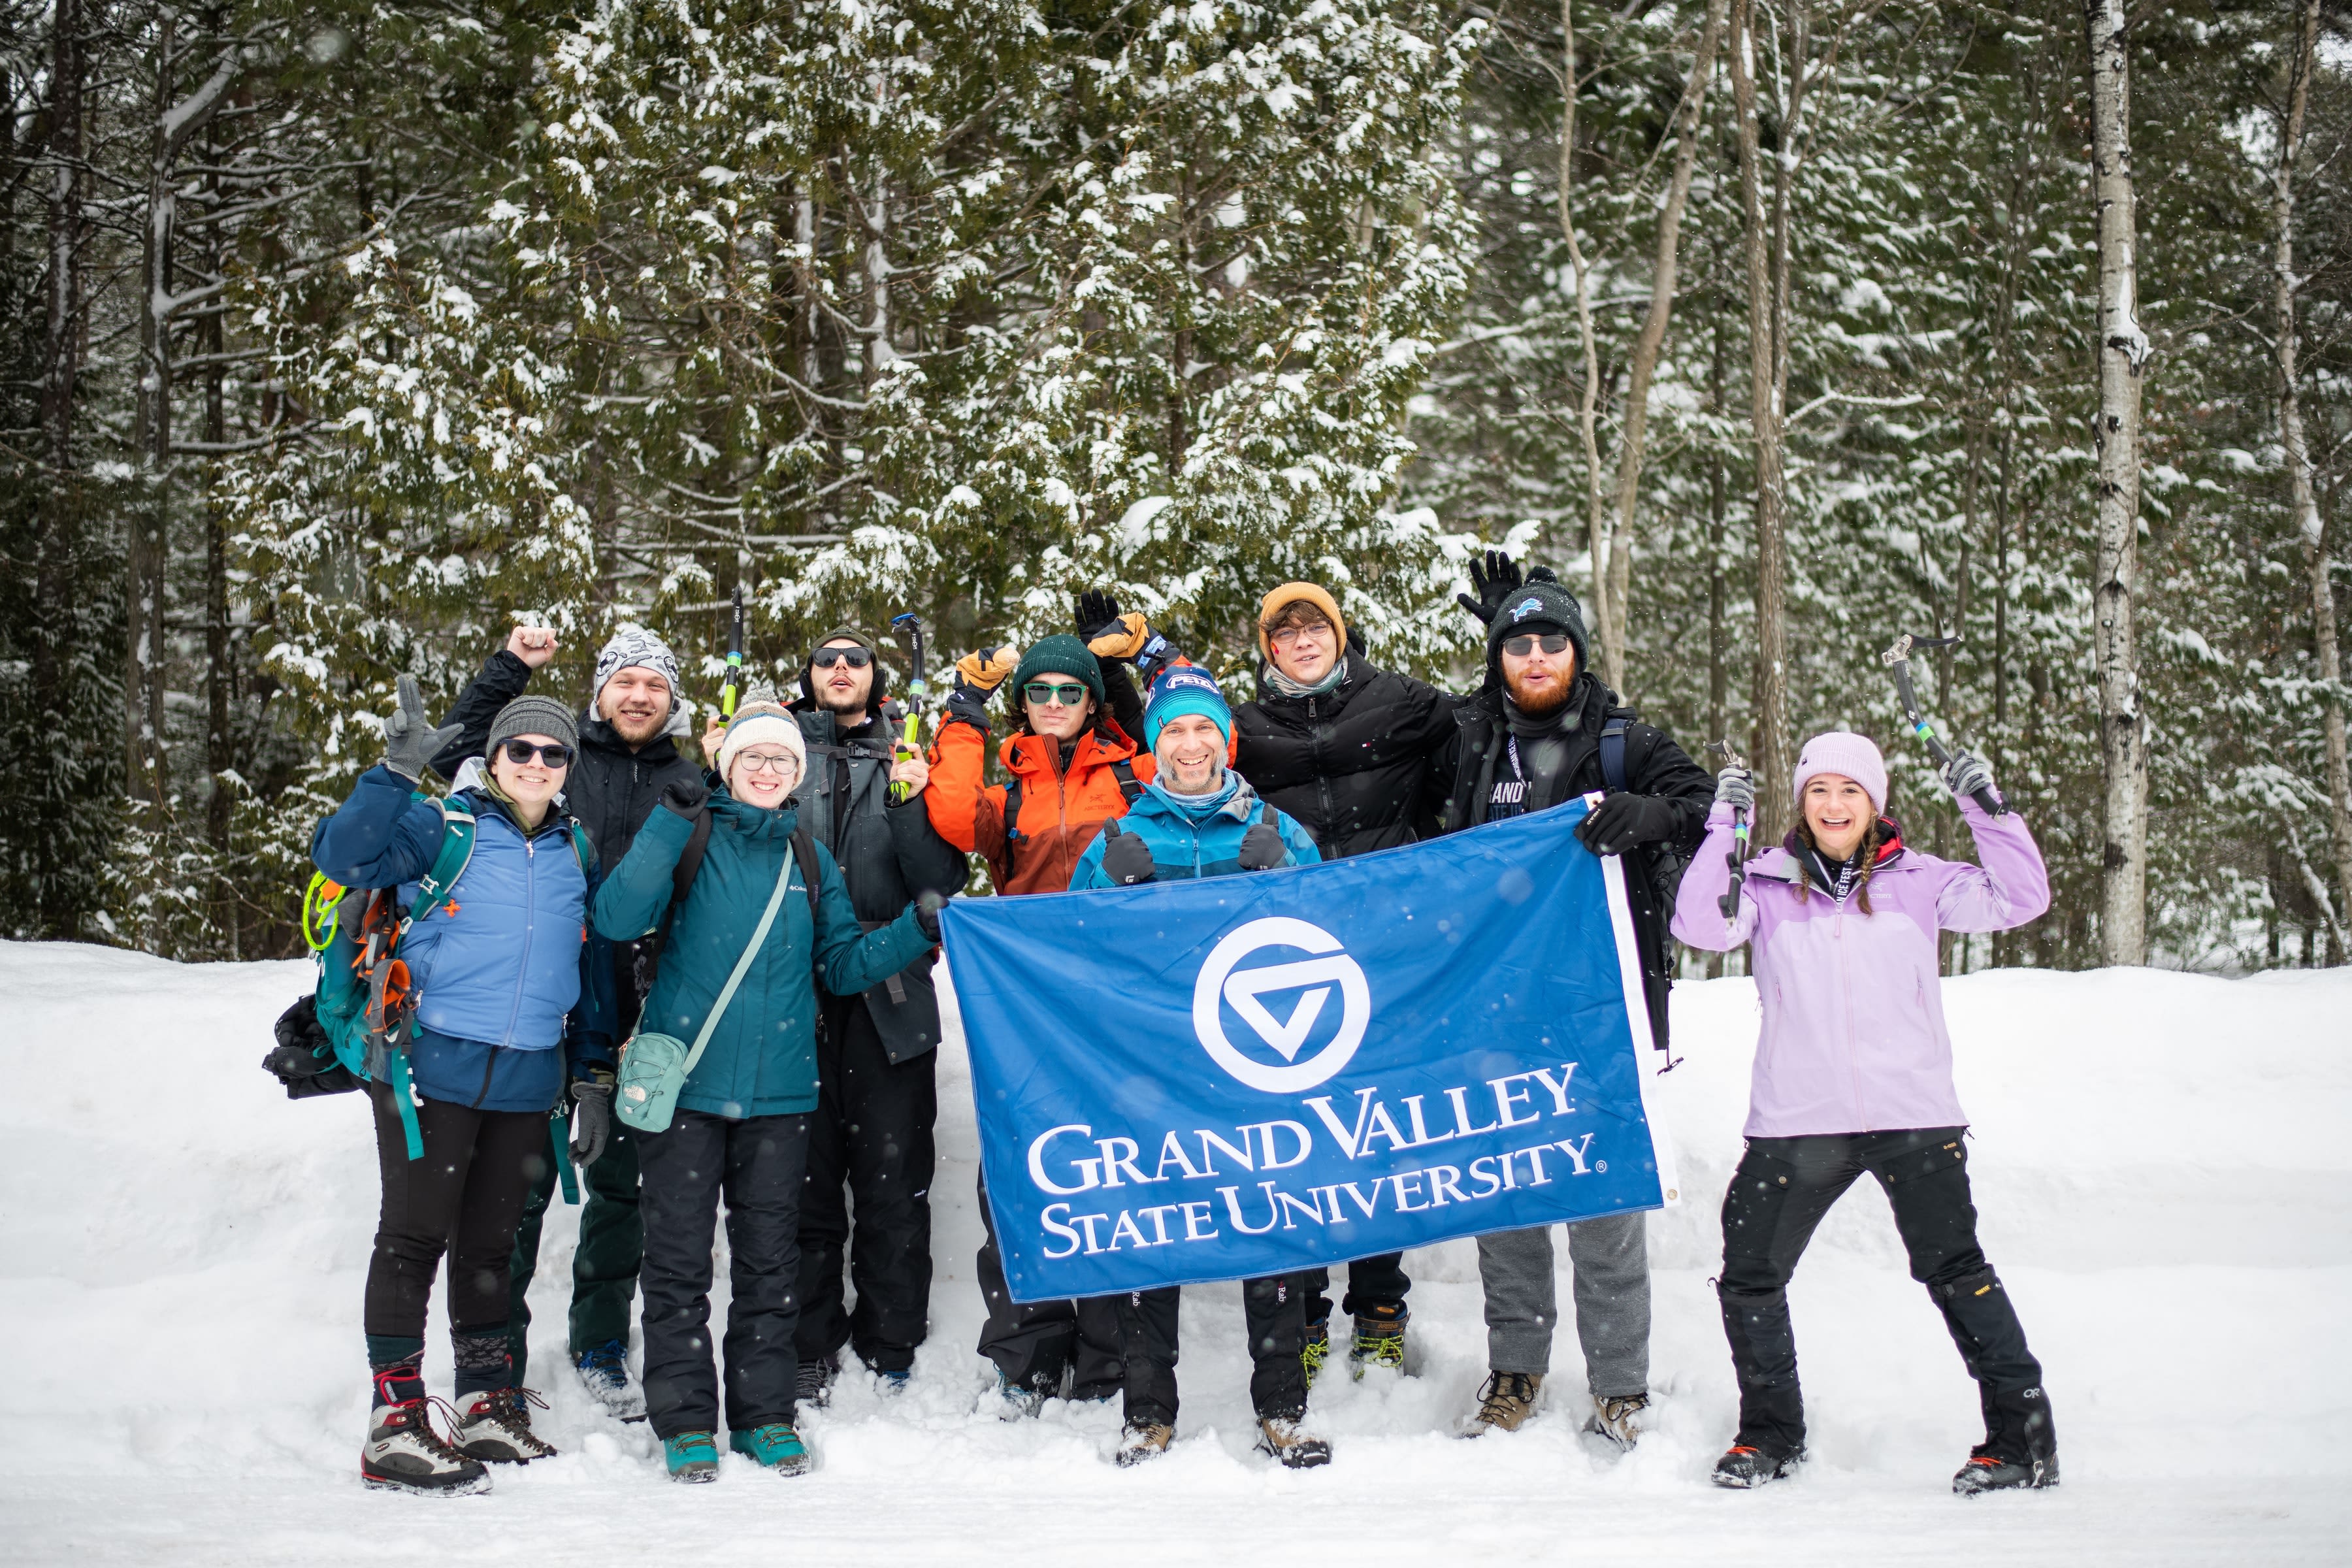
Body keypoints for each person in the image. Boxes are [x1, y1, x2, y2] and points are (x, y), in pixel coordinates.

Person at [1673, 732, 2057, 1494]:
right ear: (1802, 801)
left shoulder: (1924, 881)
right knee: (1751, 1275)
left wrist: (1987, 809)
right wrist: (1726, 825)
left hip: (1912, 1114)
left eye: (1851, 790)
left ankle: (2022, 1442)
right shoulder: (1766, 883)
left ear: (1875, 803)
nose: (1835, 804)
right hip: (1798, 1120)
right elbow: (1699, 927)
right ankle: (1772, 1436)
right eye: (1820, 790)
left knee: (1955, 1272)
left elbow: (2022, 898)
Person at [591, 704, 942, 1482]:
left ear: (797, 775)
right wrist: (666, 824)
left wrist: (916, 932)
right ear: (728, 765)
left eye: (782, 762)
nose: (767, 771)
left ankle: (763, 1415)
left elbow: (844, 965)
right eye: (753, 758)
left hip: (782, 1098)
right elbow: (616, 918)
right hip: (686, 1089)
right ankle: (685, 1422)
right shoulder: (692, 838)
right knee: (678, 1264)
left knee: (770, 1265)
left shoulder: (811, 860)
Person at [1433, 556, 1713, 1448]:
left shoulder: (1621, 738)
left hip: (1598, 1006)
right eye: (1519, 642)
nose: (1538, 655)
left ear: (1578, 654)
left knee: (1603, 1202)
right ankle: (1515, 1371)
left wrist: (1647, 814)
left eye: (1554, 639)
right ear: (1497, 657)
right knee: (1504, 1198)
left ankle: (1621, 1386)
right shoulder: (1465, 737)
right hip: (1490, 1012)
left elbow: (1703, 802)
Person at [312, 684, 611, 1495]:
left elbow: (585, 972)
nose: (538, 764)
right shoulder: (440, 827)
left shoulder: (575, 851)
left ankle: (485, 1403)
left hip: (525, 1078)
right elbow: (343, 856)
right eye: (522, 749)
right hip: (426, 1068)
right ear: (495, 757)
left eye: (555, 753)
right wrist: (394, 774)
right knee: (413, 1240)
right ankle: (394, 1422)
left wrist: (588, 1077)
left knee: (489, 1247)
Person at [429, 625, 704, 1420]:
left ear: (672, 698)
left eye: (655, 684)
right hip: (537, 1008)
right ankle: (493, 1357)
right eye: (626, 682)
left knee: (622, 1191)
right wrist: (512, 667)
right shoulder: (552, 758)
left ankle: (600, 1342)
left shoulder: (691, 779)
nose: (639, 695)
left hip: (638, 1014)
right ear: (601, 691)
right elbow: (464, 748)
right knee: (511, 1199)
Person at [1068, 663, 1330, 1469]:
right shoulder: (1118, 839)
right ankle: (1148, 1412)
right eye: (1173, 730)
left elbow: (1330, 943)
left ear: (1227, 738)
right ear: (1153, 746)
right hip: (1153, 1075)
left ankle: (1283, 1408)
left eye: (1203, 728)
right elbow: (1072, 959)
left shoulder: (1279, 833)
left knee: (1273, 1231)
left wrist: (1282, 884)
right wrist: (1114, 900)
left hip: (1256, 1068)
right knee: (1155, 1231)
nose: (1189, 744)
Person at [923, 609, 1158, 1413]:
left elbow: (1211, 744)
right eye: (1040, 690)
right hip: (1025, 1006)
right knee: (1023, 1174)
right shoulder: (1008, 789)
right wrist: (963, 712)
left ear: (1093, 703)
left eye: (1070, 690)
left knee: (1113, 1172)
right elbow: (953, 816)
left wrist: (1150, 660)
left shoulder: (1135, 774)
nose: (1055, 700)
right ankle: (1028, 1355)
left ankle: (1106, 1358)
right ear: (1023, 703)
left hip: (1116, 1002)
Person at [1228, 581, 1459, 1378]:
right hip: (1290, 957)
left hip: (1388, 945)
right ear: (1267, 649)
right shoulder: (1246, 729)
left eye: (1312, 626)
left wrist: (1507, 628)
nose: (1300, 641)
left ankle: (1381, 1304)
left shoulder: (1398, 701)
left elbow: (1487, 728)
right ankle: (1307, 1310)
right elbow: (1173, 750)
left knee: (1375, 1133)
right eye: (1282, 632)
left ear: (1339, 633)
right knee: (1300, 1139)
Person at [756, 629, 966, 1404]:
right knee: (803, 1181)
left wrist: (916, 803)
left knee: (893, 1178)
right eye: (826, 660)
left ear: (875, 679)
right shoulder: (777, 756)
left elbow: (942, 881)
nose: (841, 670)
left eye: (855, 660)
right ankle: (811, 1339)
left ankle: (892, 1337)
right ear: (808, 679)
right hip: (790, 989)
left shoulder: (909, 757)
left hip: (893, 987)